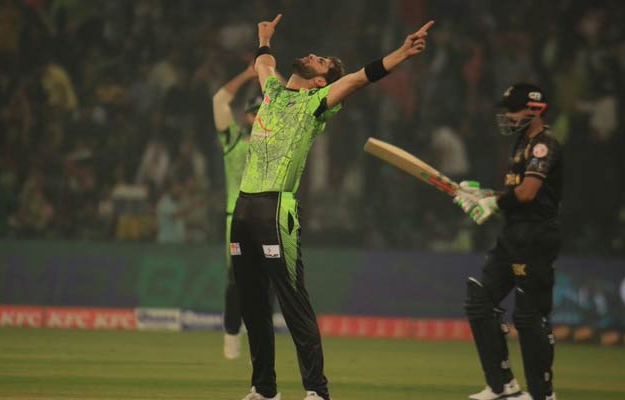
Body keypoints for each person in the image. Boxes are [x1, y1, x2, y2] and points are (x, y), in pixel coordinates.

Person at [230, 14, 433, 400]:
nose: (312, 55)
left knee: (292, 300)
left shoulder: (317, 101)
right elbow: (263, 63)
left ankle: (316, 391)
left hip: (275, 207)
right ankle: (264, 388)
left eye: (321, 60)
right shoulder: (273, 91)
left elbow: (358, 78)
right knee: (251, 303)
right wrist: (264, 39)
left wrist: (402, 54)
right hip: (244, 206)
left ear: (321, 80)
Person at [454, 83, 562, 400]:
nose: (507, 115)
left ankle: (543, 394)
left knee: (529, 317)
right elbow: (515, 197)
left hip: (537, 237)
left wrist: (494, 204)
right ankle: (503, 386)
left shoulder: (545, 144)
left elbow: (528, 194)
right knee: (480, 301)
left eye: (512, 109)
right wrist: (482, 196)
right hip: (512, 235)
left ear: (534, 109)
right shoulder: (519, 143)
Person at [212, 63, 265, 360]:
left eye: (263, 112)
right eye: (253, 112)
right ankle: (232, 332)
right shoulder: (234, 141)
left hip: (270, 218)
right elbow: (219, 101)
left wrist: (270, 73)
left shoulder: (278, 142)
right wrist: (248, 73)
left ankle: (256, 336)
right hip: (239, 218)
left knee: (267, 284)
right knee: (237, 281)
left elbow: (295, 102)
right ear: (246, 116)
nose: (258, 117)